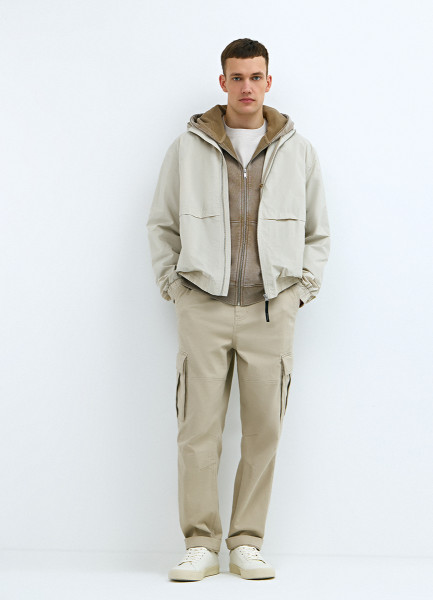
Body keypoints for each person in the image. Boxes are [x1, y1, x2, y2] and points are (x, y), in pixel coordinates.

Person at [146, 38, 331, 581]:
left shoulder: (298, 151)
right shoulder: (189, 147)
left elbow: (318, 231)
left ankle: (247, 541)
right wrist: (175, 287)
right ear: (222, 81)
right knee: (197, 432)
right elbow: (162, 224)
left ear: (268, 81)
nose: (246, 86)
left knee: (263, 431)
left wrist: (300, 290)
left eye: (255, 76)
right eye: (237, 77)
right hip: (202, 306)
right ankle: (201, 544)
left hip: (271, 309)